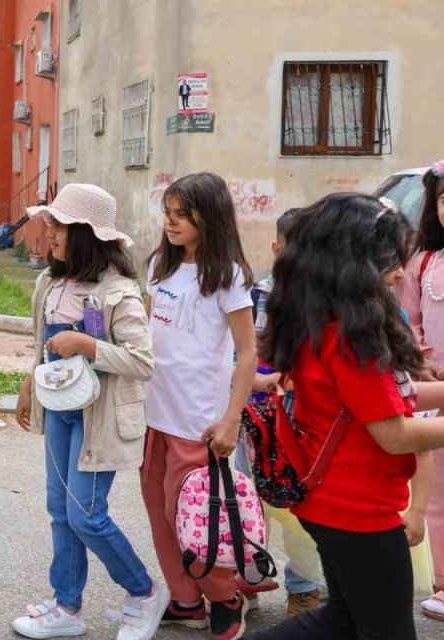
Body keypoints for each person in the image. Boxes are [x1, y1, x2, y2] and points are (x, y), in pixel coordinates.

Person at [247, 193, 444, 639]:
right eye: (391, 260)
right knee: (381, 629)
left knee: (344, 619)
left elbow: (390, 398)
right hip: (358, 510)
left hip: (329, 502)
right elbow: (394, 433)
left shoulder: (321, 321)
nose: (400, 273)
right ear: (355, 264)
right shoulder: (352, 339)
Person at [11, 184, 168, 640]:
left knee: (86, 515)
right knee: (60, 510)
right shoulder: (49, 282)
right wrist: (29, 383)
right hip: (59, 409)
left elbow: (142, 362)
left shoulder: (119, 292)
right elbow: (43, 346)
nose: (49, 233)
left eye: (57, 226)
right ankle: (67, 606)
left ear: (84, 234)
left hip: (99, 419)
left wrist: (86, 344)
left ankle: (143, 592)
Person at [142, 172, 257, 640]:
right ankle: (186, 600)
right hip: (154, 415)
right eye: (167, 213)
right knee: (159, 514)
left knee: (192, 517)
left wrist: (231, 418)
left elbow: (246, 352)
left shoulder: (227, 275)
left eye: (181, 215)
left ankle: (225, 596)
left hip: (199, 423)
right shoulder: (159, 266)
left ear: (208, 217)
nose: (170, 223)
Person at [237, 208, 325, 618]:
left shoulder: (329, 298)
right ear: (276, 249)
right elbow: (244, 354)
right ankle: (247, 580)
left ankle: (304, 587)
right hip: (258, 417)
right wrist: (261, 381)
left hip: (306, 419)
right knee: (248, 500)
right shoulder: (258, 294)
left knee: (300, 507)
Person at [397, 160, 444, 621]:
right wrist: (424, 359)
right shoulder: (423, 261)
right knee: (435, 486)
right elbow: (408, 322)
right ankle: (441, 579)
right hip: (434, 388)